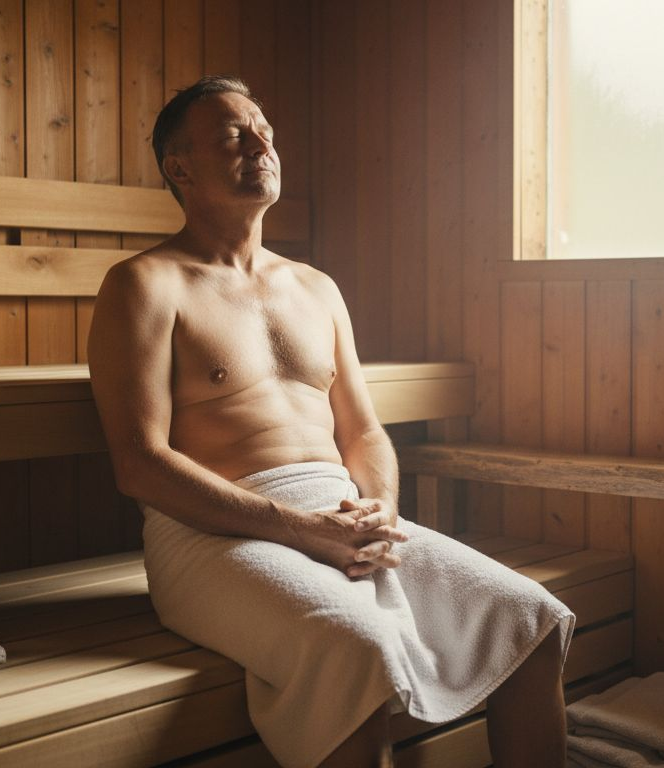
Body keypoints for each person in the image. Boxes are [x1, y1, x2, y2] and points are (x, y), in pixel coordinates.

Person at [87, 75, 574, 768]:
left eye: (265, 132)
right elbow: (139, 462)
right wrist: (300, 529)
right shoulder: (145, 284)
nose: (261, 146)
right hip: (209, 533)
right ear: (180, 168)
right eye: (233, 136)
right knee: (358, 648)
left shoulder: (316, 288)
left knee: (532, 618)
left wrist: (380, 509)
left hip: (339, 514)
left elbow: (364, 433)